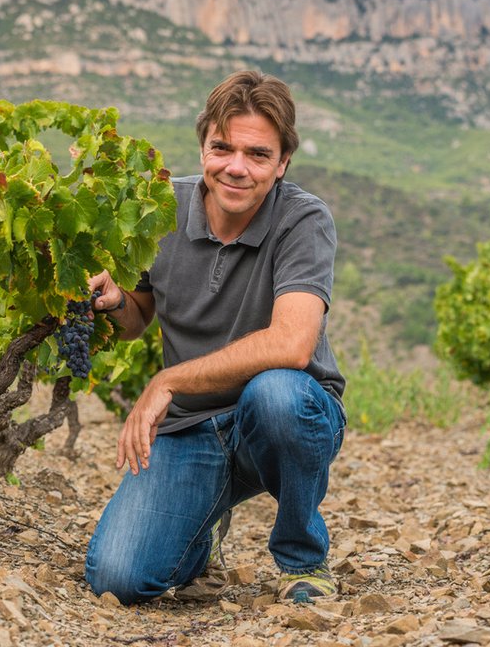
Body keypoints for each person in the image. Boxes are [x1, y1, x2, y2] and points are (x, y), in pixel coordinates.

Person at [83, 69, 347, 606]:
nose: (235, 167)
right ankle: (201, 523)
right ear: (202, 144)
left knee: (276, 393)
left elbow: (293, 345)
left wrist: (169, 380)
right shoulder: (161, 208)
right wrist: (115, 302)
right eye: (222, 147)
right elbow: (138, 318)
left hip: (284, 416)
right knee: (120, 578)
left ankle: (303, 558)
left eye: (257, 154)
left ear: (283, 163)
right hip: (191, 428)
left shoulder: (304, 219)